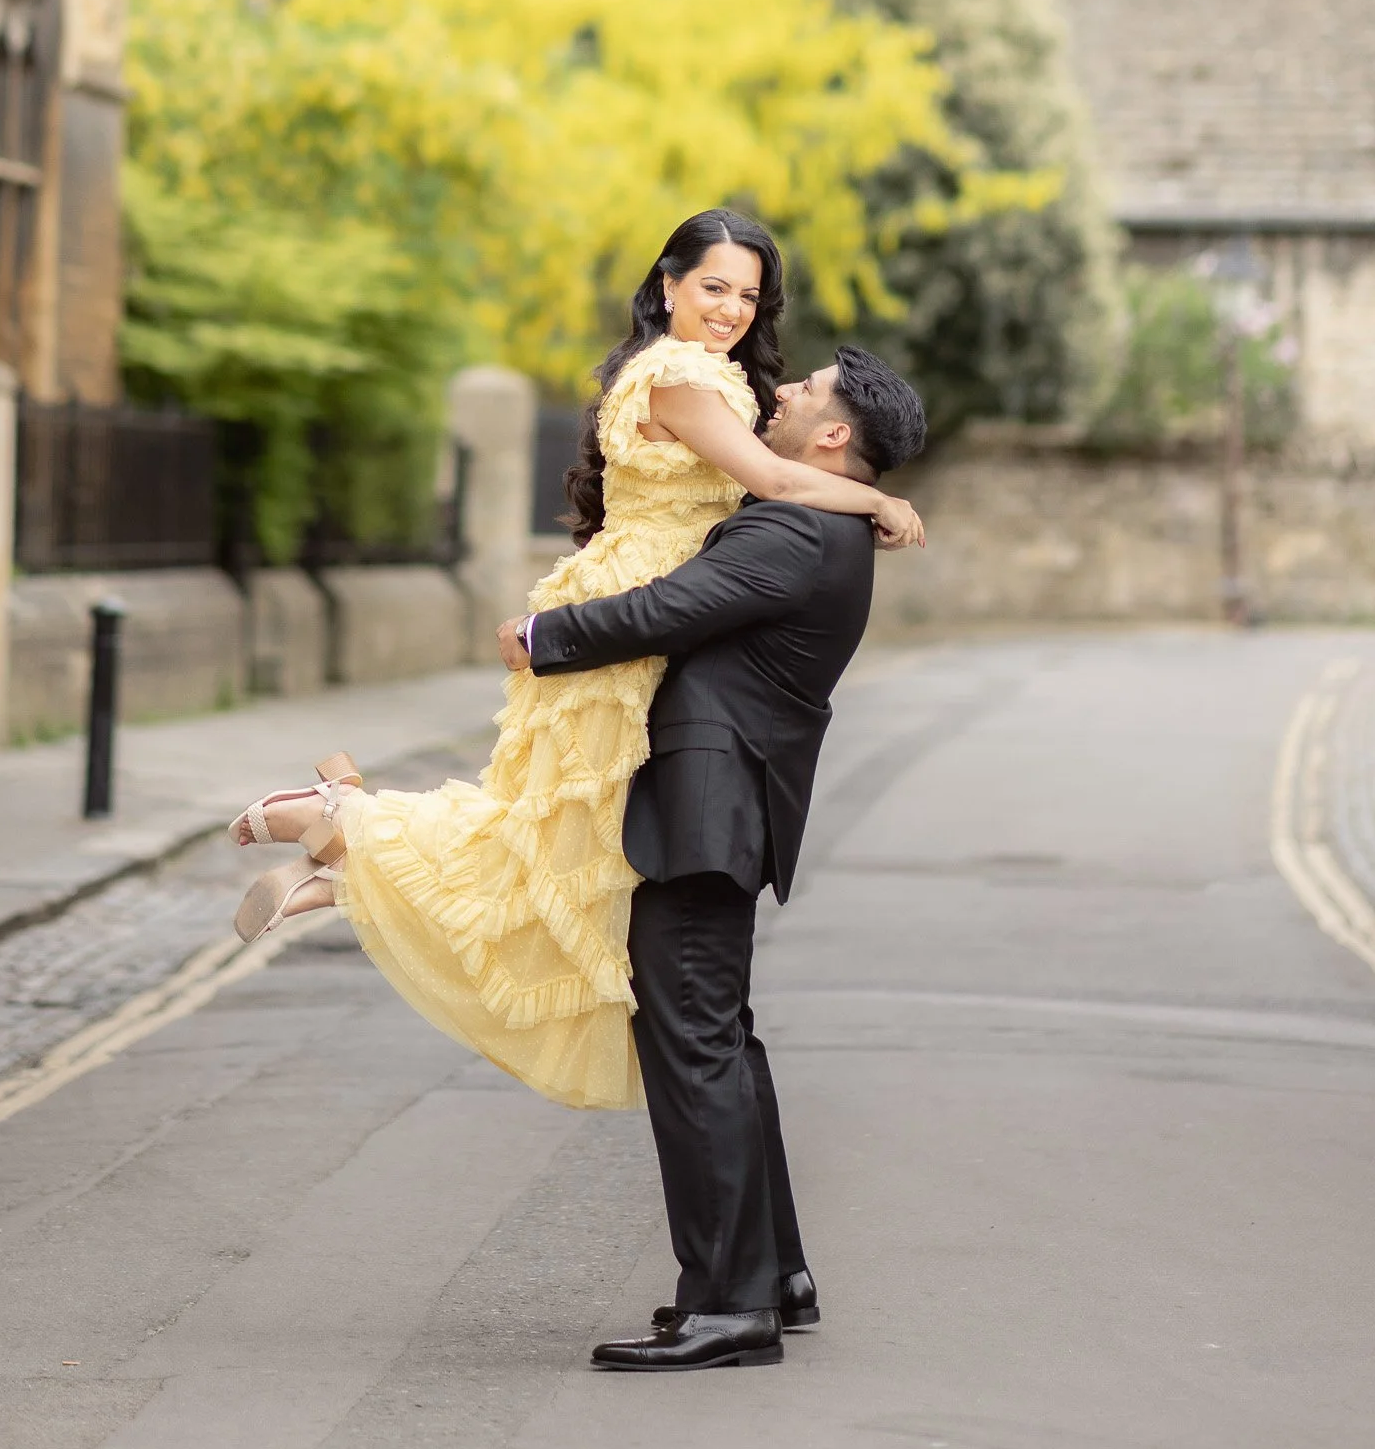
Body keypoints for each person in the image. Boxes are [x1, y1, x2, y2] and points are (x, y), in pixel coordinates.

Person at [227, 209, 924, 1118]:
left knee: (566, 851)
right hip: (624, 615)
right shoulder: (676, 376)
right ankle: (342, 822)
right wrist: (880, 500)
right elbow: (781, 482)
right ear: (667, 284)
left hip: (645, 617)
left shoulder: (718, 383)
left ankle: (345, 862)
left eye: (749, 295)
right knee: (555, 848)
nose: (731, 309)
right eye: (712, 286)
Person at [504, 342, 928, 1372]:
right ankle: (772, 1272)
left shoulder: (794, 527)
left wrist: (541, 630)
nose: (781, 389)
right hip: (723, 814)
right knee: (722, 1041)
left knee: (695, 1048)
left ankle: (728, 1304)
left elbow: (668, 609)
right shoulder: (824, 518)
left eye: (806, 389)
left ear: (832, 435)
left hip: (706, 815)